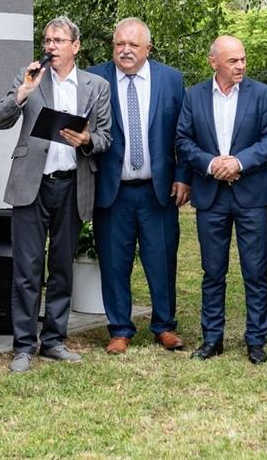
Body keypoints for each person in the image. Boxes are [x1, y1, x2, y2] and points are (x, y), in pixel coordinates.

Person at [0, 16, 112, 373]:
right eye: (47, 40)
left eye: (58, 40)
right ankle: (23, 346)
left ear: (76, 46)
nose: (50, 46)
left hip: (73, 184)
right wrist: (23, 92)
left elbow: (105, 137)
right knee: (27, 269)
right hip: (32, 184)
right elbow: (0, 119)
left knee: (61, 267)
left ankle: (54, 341)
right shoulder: (29, 76)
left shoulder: (96, 86)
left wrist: (87, 139)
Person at [175, 35, 267, 364]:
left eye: (243, 59)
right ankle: (212, 339)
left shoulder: (261, 94)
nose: (241, 66)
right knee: (212, 271)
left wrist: (238, 162)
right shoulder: (194, 96)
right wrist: (212, 165)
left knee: (256, 271)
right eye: (233, 60)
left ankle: (256, 340)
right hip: (211, 196)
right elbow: (183, 139)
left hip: (251, 195)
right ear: (214, 63)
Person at [87, 18, 190, 355]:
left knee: (162, 259)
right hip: (111, 189)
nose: (126, 50)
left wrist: (183, 175)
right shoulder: (94, 78)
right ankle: (119, 329)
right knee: (114, 262)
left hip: (157, 190)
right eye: (120, 44)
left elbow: (184, 133)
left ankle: (164, 326)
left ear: (148, 48)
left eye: (133, 44)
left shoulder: (170, 80)